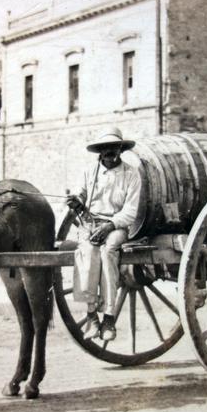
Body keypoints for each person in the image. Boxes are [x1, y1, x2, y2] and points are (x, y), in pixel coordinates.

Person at [66, 127, 141, 341]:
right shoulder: (89, 172)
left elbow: (130, 212)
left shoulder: (131, 174)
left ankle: (109, 317)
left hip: (116, 227)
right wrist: (76, 202)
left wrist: (109, 225)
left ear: (120, 149)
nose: (110, 151)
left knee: (109, 252)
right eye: (105, 148)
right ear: (99, 151)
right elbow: (80, 195)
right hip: (91, 224)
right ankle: (91, 316)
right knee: (88, 253)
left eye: (114, 147)